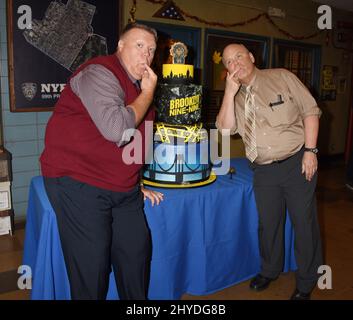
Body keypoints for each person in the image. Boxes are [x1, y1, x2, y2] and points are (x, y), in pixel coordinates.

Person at [40, 23, 164, 300]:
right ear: (120, 46)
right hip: (78, 180)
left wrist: (137, 182)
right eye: (139, 46)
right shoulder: (100, 72)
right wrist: (148, 94)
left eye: (152, 50)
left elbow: (139, 144)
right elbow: (117, 130)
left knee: (136, 255)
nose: (146, 55)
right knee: (92, 269)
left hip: (123, 189)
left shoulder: (141, 91)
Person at [216, 43, 323, 300]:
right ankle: (270, 269)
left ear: (252, 56)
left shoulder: (282, 77)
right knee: (269, 225)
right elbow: (224, 129)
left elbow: (310, 111)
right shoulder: (236, 97)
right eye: (229, 61)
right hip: (263, 170)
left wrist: (311, 151)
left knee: (303, 224)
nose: (235, 63)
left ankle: (307, 281)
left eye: (239, 56)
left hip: (296, 162)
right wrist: (229, 94)